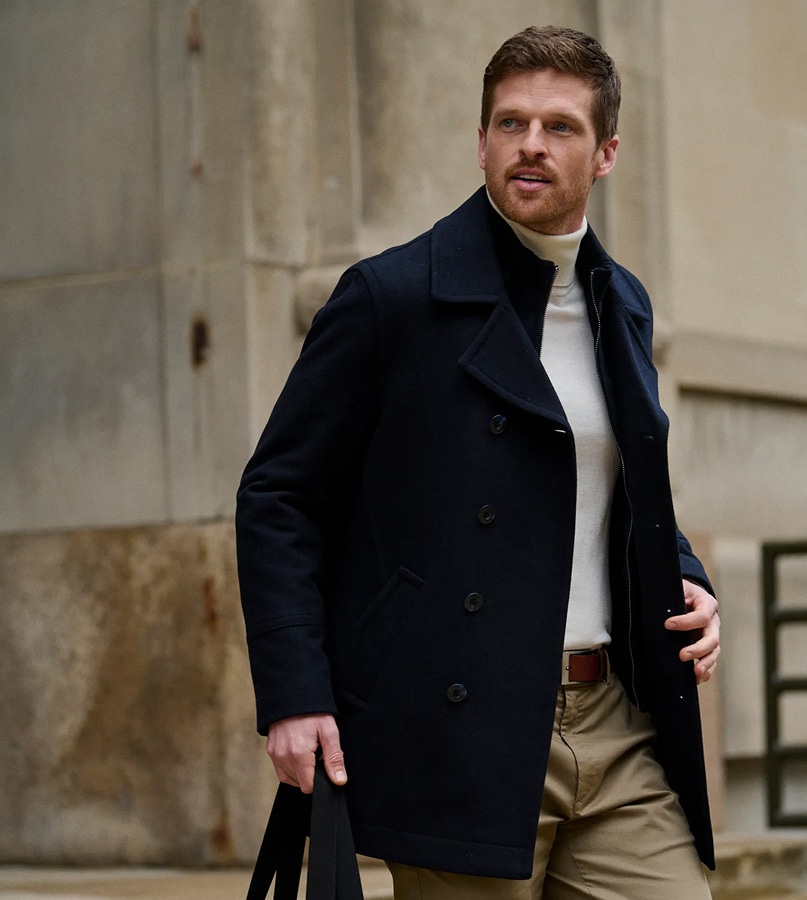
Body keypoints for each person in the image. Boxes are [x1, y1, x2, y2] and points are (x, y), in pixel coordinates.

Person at [235, 24, 720, 900]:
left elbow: (610, 488)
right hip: (459, 731)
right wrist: (295, 692)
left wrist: (684, 573)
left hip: (612, 722)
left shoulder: (623, 304)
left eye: (560, 126)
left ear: (606, 154)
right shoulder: (392, 297)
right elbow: (279, 496)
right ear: (483, 140)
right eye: (510, 123)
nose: (531, 144)